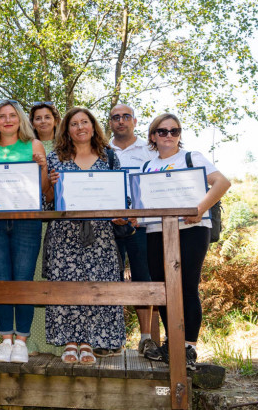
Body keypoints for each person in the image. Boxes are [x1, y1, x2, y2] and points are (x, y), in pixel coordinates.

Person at [141, 113, 230, 370]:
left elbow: (222, 183)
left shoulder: (192, 157)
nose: (169, 136)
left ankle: (188, 346)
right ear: (153, 136)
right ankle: (173, 343)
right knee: (165, 289)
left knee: (186, 287)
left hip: (192, 229)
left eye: (174, 131)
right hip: (156, 231)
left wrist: (199, 209)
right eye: (162, 131)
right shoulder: (148, 167)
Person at [44, 107, 126, 365]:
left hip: (101, 235)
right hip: (63, 233)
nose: (80, 127)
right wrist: (52, 186)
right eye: (74, 124)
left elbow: (120, 197)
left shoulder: (110, 157)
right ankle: (69, 341)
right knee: (66, 285)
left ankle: (90, 341)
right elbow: (45, 201)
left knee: (98, 285)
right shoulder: (55, 157)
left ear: (93, 126)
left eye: (85, 122)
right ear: (66, 130)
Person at [0, 100, 49, 363]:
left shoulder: (34, 146)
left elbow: (42, 190)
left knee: (23, 280)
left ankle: (22, 341)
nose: (7, 120)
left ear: (20, 120)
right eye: (2, 116)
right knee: (1, 281)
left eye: (12, 116)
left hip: (27, 220)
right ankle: (5, 339)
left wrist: (42, 167)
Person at [107, 103, 158, 357]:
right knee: (109, 279)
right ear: (110, 123)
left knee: (143, 280)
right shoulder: (102, 150)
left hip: (142, 225)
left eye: (126, 116)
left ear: (135, 121)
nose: (121, 121)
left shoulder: (149, 150)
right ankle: (112, 337)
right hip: (108, 225)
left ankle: (146, 339)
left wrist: (140, 212)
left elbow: (155, 185)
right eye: (115, 117)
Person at [27, 101, 63, 357]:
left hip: (61, 222)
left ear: (55, 119)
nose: (42, 122)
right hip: (33, 220)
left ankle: (61, 339)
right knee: (36, 277)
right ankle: (35, 340)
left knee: (58, 278)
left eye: (46, 117)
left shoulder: (65, 147)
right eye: (37, 118)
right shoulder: (26, 147)